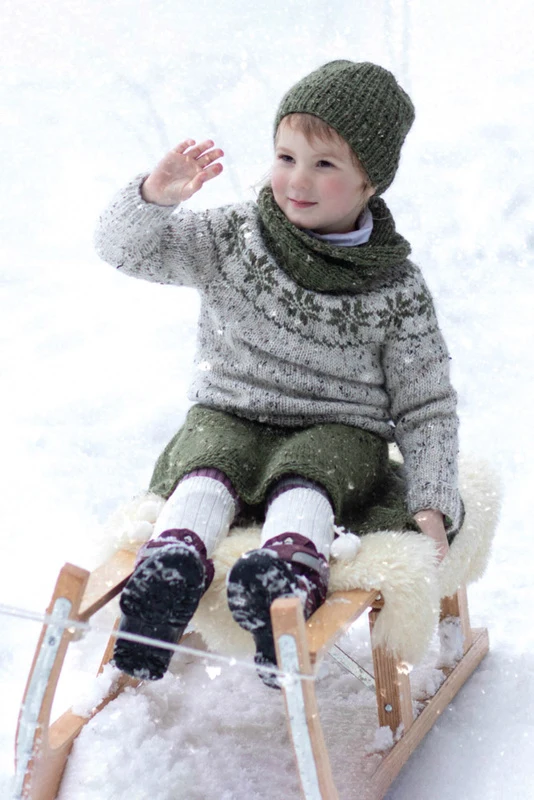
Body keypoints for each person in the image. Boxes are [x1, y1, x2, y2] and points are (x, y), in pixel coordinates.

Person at [94, 60, 461, 687]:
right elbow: (125, 249)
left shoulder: (394, 289)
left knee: (314, 469)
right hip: (232, 409)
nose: (297, 179)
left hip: (339, 429)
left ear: (371, 183)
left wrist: (432, 501)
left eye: (324, 165)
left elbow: (426, 404)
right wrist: (152, 198)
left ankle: (283, 582)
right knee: (209, 453)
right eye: (286, 156)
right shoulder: (234, 236)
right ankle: (172, 564)